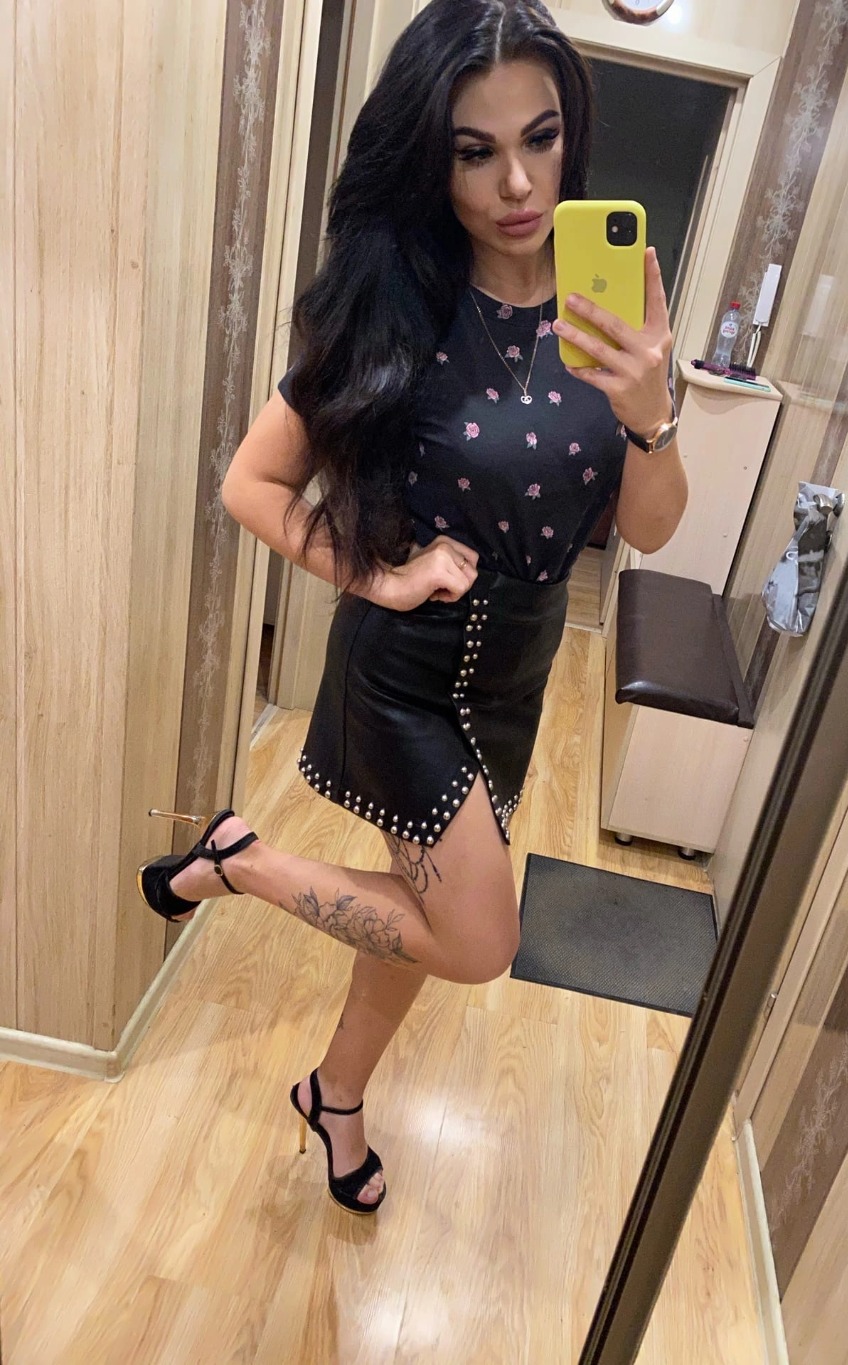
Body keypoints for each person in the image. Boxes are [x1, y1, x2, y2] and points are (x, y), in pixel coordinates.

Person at [137, 0, 687, 1216]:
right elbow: (250, 484)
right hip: (411, 667)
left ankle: (335, 1096)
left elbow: (649, 530)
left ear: (572, 133)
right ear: (431, 159)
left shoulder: (618, 310)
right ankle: (242, 861)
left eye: (539, 139)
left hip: (518, 670)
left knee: (426, 914)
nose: (517, 184)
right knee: (477, 939)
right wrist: (375, 575)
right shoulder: (395, 307)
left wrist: (651, 410)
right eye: (473, 151)